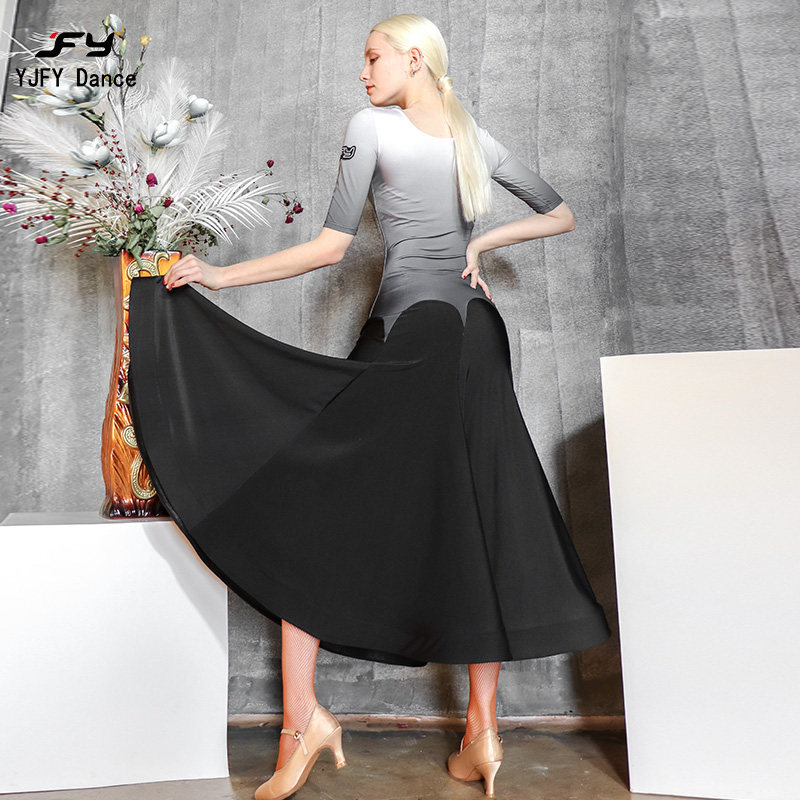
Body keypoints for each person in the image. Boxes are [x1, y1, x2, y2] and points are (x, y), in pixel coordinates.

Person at [127, 13, 611, 800]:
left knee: (312, 504)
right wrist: (479, 247)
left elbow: (330, 246)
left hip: (412, 334)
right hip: (477, 337)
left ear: (413, 59)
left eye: (373, 56)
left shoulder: (371, 129)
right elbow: (561, 212)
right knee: (474, 514)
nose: (363, 72)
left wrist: (217, 277)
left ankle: (301, 723)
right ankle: (483, 733)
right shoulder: (474, 138)